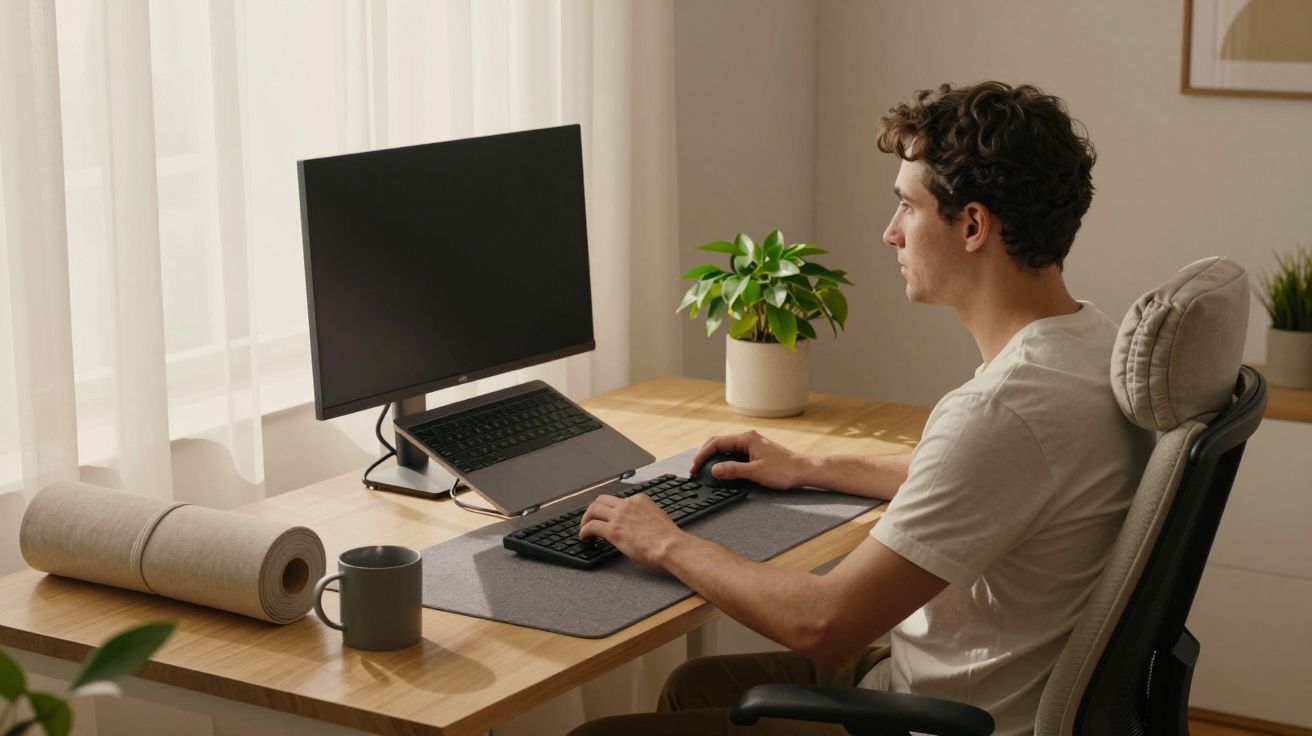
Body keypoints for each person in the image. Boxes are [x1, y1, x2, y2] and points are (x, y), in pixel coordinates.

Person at [567, 81, 1154, 736]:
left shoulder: (1003, 410)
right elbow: (980, 482)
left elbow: (821, 623)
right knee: (692, 686)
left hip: (942, 719)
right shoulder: (1086, 344)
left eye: (907, 206)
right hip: (952, 684)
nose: (890, 233)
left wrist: (666, 542)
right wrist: (808, 465)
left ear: (972, 225)